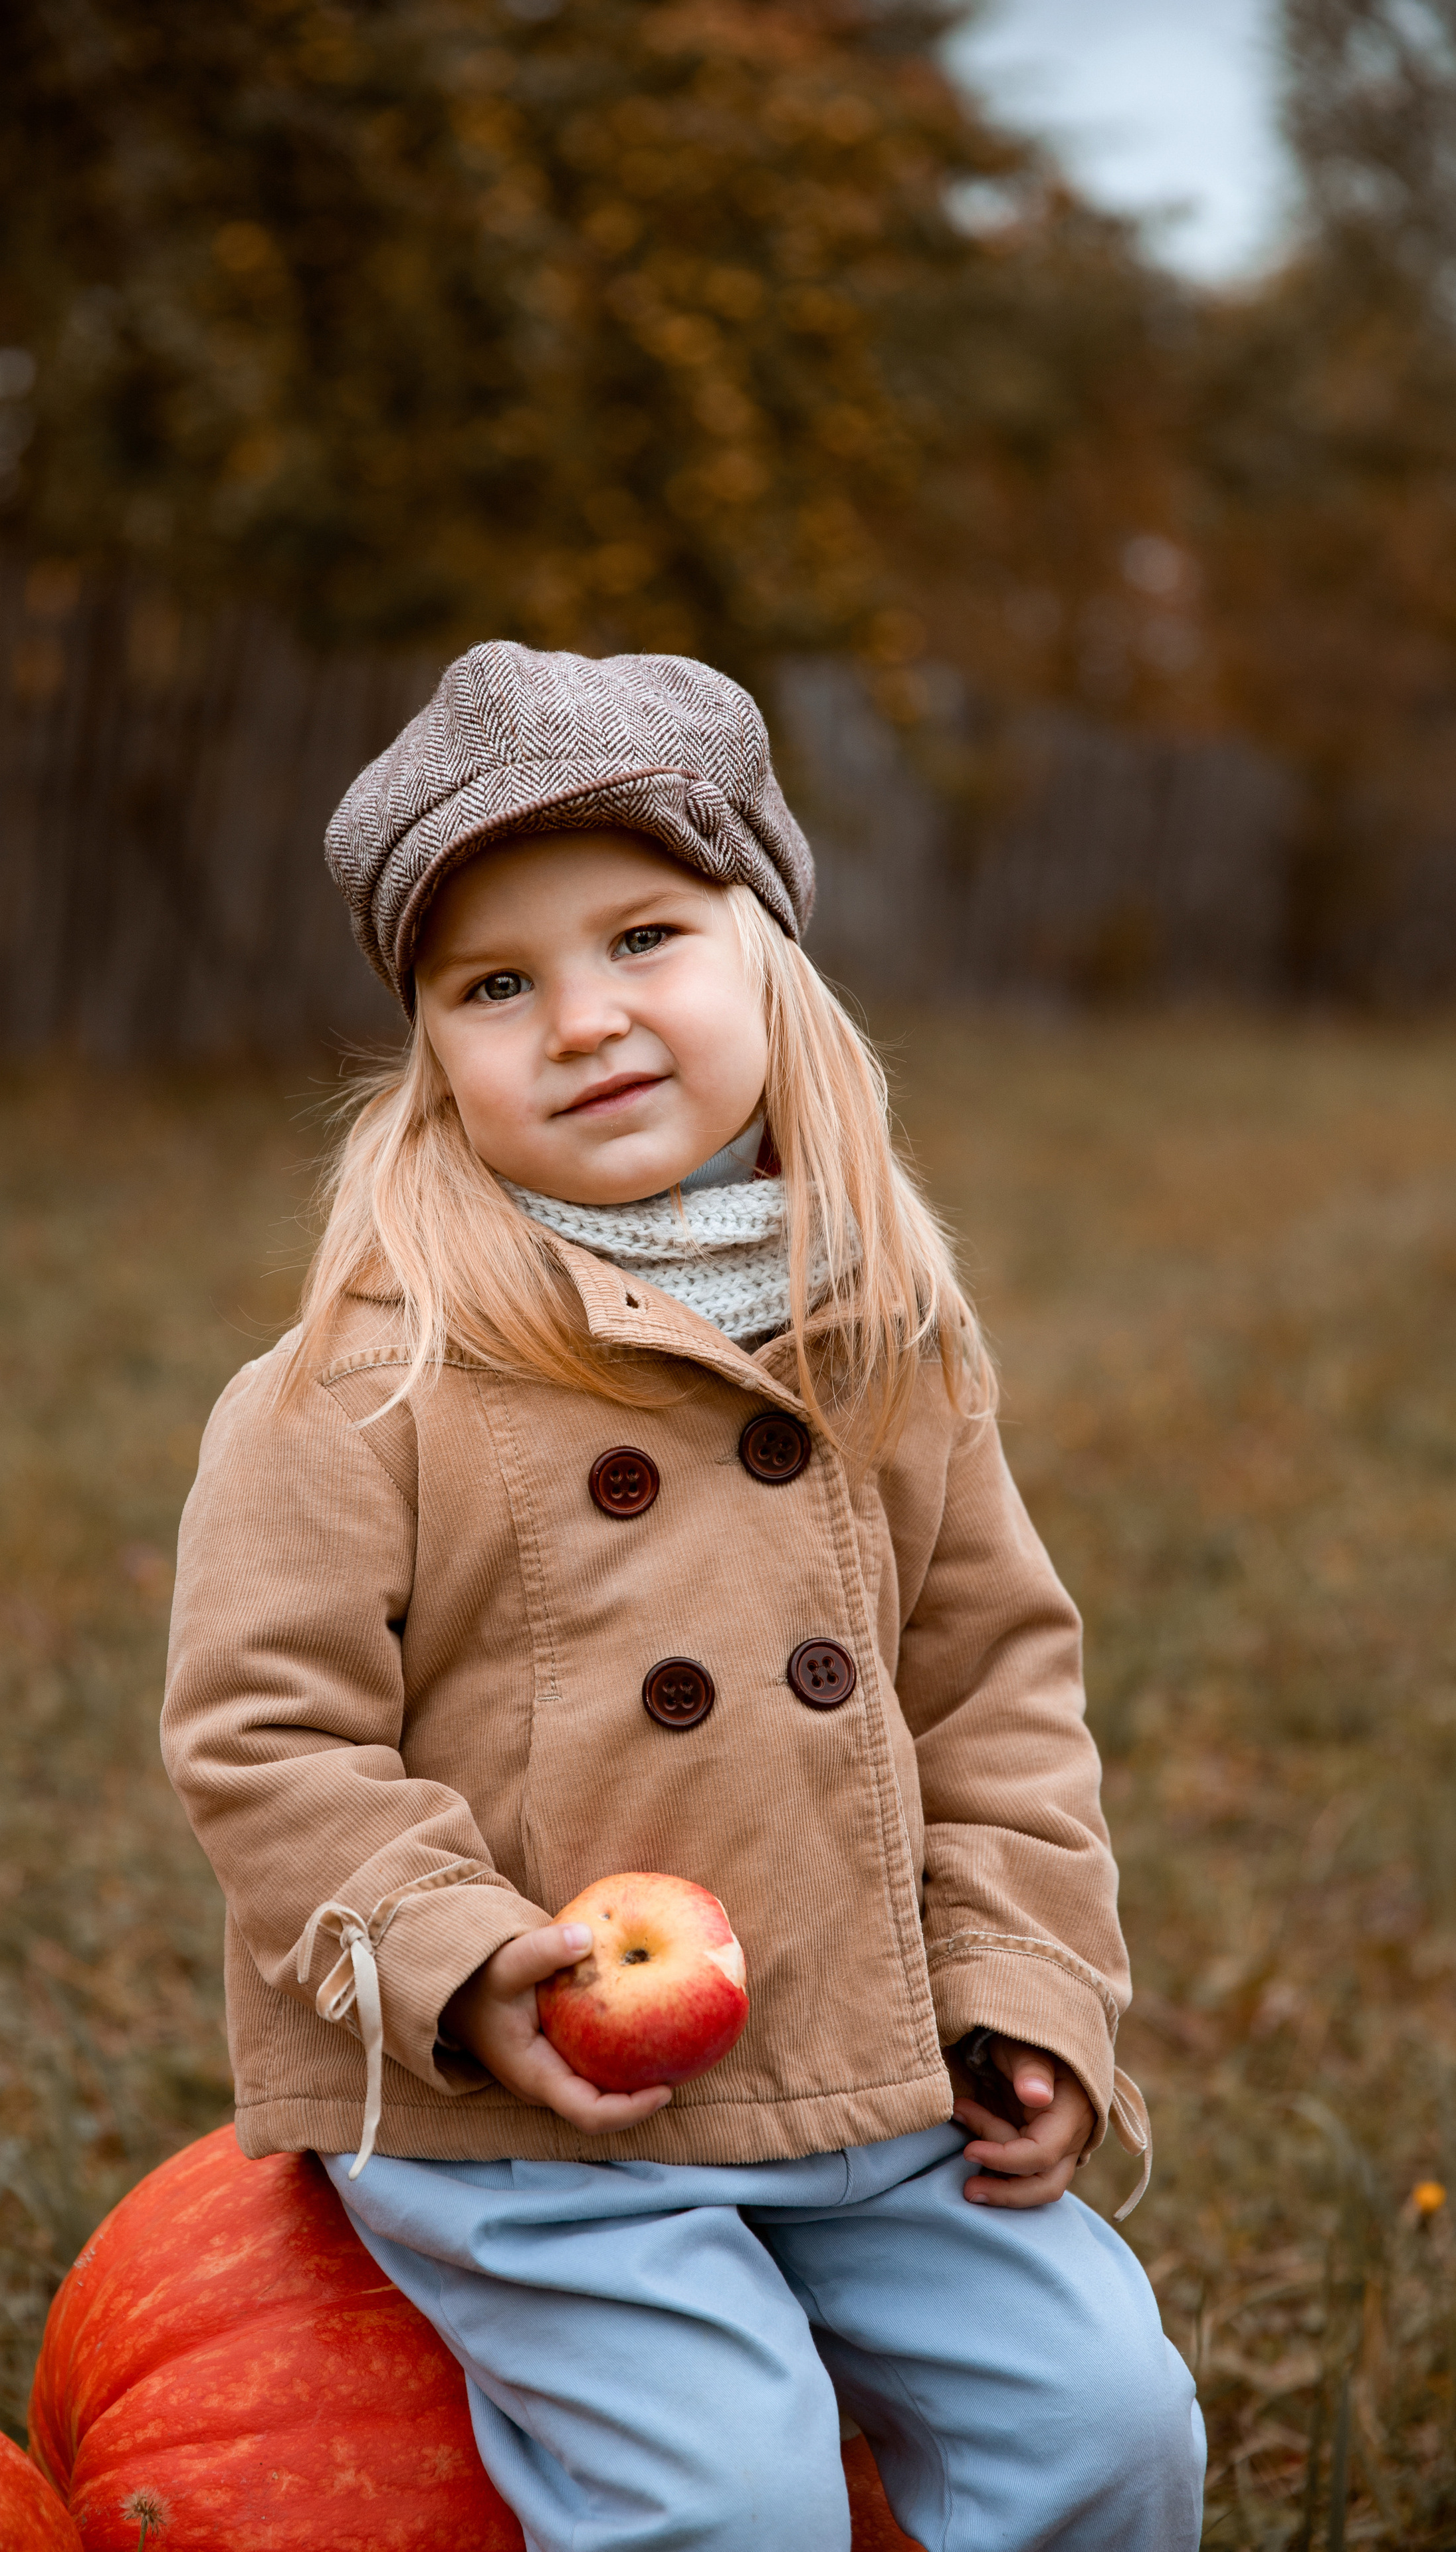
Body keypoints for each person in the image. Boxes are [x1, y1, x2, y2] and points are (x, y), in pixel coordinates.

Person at [161, 642, 1204, 2551]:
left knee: (1113, 2420)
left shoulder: (889, 1351)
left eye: (642, 938)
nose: (580, 1020)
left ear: (769, 959)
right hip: (534, 2115)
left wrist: (1025, 1989)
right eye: (498, 984)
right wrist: (466, 1967)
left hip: (874, 2069)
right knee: (736, 2499)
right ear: (433, 1048)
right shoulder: (350, 1391)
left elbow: (998, 1696)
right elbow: (262, 1735)